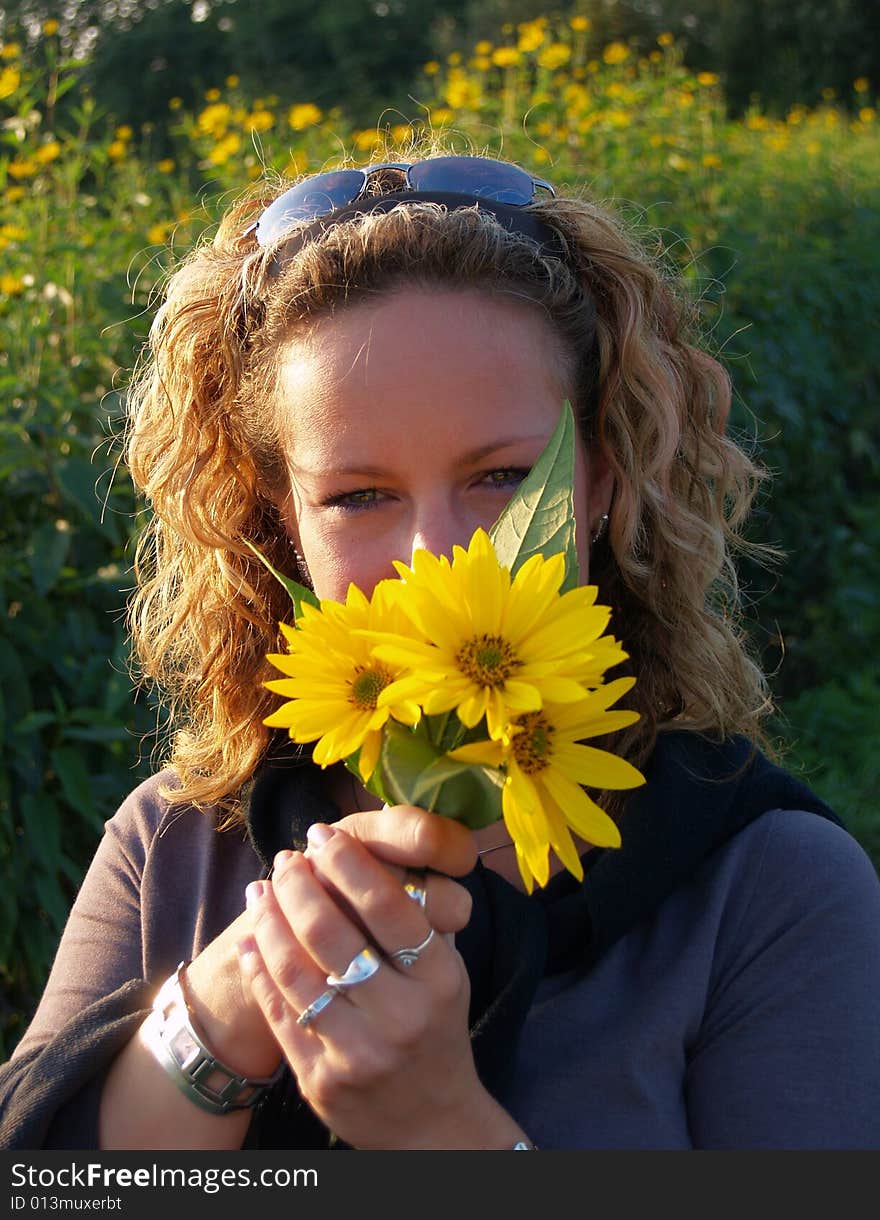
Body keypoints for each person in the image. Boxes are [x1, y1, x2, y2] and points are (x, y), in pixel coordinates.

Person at [2, 149, 879, 1152]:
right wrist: (223, 1015)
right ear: (283, 521)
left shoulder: (768, 891)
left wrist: (439, 1131)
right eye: (360, 495)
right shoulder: (173, 848)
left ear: (598, 487)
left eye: (503, 476)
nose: (435, 559)